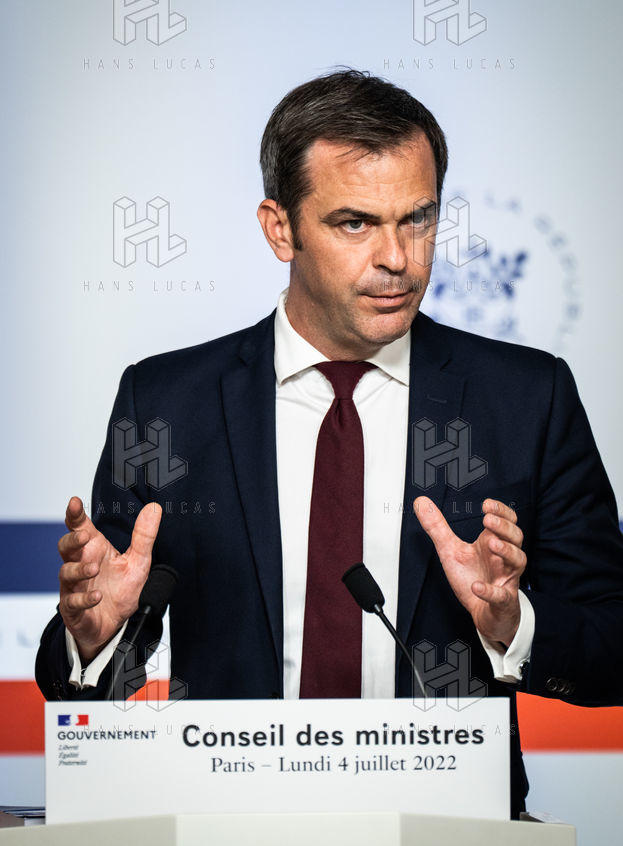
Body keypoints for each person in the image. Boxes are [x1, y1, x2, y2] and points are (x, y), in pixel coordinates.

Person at [36, 69, 623, 817]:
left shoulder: (526, 397)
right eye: (355, 224)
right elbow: (87, 669)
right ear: (279, 228)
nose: (398, 258)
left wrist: (514, 624)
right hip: (228, 820)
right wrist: (95, 640)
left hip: (449, 823)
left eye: (417, 219)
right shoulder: (166, 402)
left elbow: (612, 646)